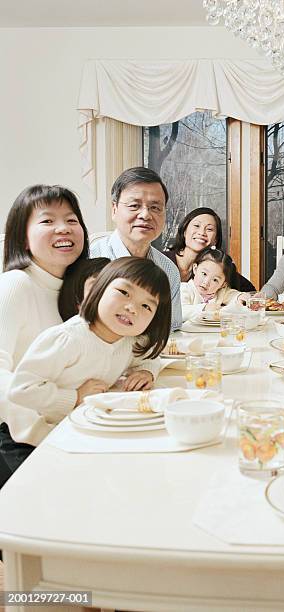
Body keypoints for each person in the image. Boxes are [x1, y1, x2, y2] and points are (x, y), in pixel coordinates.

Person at [8, 258, 169, 455]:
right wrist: (75, 397)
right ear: (98, 289)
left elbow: (150, 356)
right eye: (124, 293)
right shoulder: (68, 339)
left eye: (146, 306)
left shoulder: (128, 340)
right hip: (39, 436)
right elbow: (20, 390)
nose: (132, 308)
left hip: (87, 427)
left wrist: (146, 372)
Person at [0, 184, 88, 480]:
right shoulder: (15, 284)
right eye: (48, 221)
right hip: (19, 436)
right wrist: (70, 398)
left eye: (72, 220)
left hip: (63, 425)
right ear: (23, 238)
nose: (63, 228)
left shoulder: (74, 289)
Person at [90, 167, 182, 331]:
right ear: (114, 209)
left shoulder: (169, 271)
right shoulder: (89, 259)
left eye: (155, 207)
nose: (145, 215)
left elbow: (170, 331)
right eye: (134, 205)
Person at [163, 207, 255, 291]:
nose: (202, 232)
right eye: (196, 226)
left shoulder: (217, 266)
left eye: (209, 229)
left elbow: (250, 291)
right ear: (184, 231)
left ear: (215, 240)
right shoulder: (160, 260)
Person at [181, 247, 246, 321]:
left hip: (212, 332)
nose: (206, 282)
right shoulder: (185, 289)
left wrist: (241, 297)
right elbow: (181, 312)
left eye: (215, 280)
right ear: (195, 269)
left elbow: (233, 295)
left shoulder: (220, 292)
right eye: (204, 274)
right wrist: (204, 308)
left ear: (223, 284)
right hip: (188, 331)